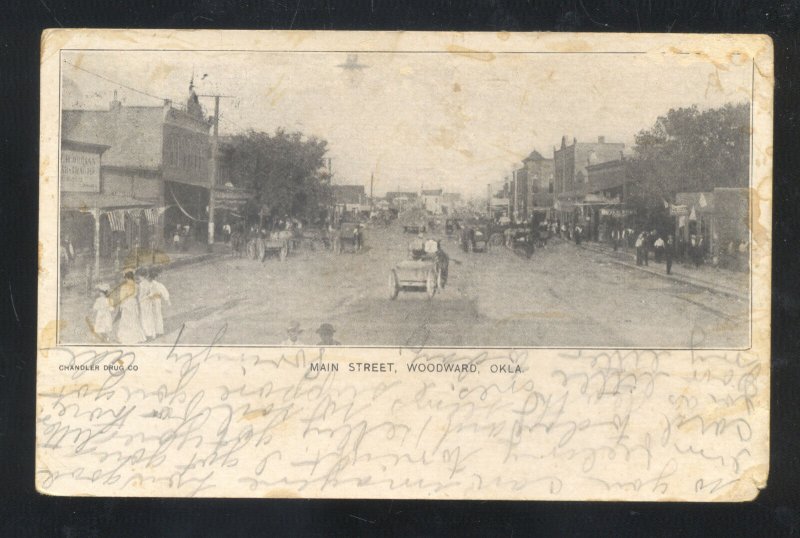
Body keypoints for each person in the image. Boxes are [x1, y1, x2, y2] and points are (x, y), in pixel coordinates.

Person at [114, 271, 146, 344]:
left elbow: (122, 297)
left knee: (126, 320)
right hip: (134, 303)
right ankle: (137, 337)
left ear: (127, 278)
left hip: (127, 303)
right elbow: (139, 295)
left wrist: (121, 306)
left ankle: (125, 338)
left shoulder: (124, 286)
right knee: (134, 319)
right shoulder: (137, 285)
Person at [147, 267, 170, 338]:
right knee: (157, 314)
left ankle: (153, 331)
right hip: (156, 301)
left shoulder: (148, 284)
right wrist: (167, 300)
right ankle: (158, 330)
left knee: (152, 315)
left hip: (151, 301)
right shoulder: (158, 284)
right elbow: (164, 292)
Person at [136, 267, 156, 341]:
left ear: (141, 276)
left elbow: (140, 295)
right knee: (149, 316)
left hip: (143, 302)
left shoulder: (141, 284)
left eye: (139, 276)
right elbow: (151, 293)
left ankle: (147, 334)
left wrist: (138, 301)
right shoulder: (148, 283)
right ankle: (151, 333)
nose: (138, 278)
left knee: (144, 317)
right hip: (148, 301)